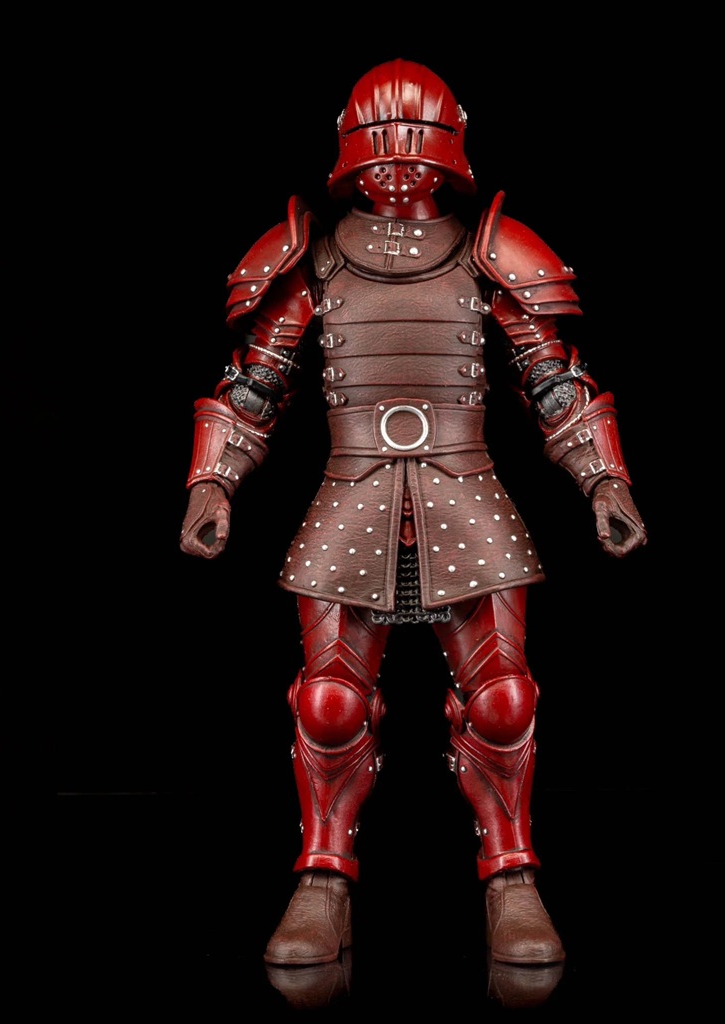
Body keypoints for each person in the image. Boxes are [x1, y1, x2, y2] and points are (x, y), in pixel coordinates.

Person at [179, 58, 647, 967]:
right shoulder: (312, 258)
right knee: (327, 705)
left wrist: (604, 480)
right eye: (382, 149)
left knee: (504, 701)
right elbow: (256, 383)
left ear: (449, 152)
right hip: (351, 494)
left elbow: (551, 378)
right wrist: (212, 482)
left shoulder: (489, 255)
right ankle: (323, 877)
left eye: (414, 149)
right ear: (351, 154)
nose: (397, 167)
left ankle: (511, 876)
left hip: (466, 493)